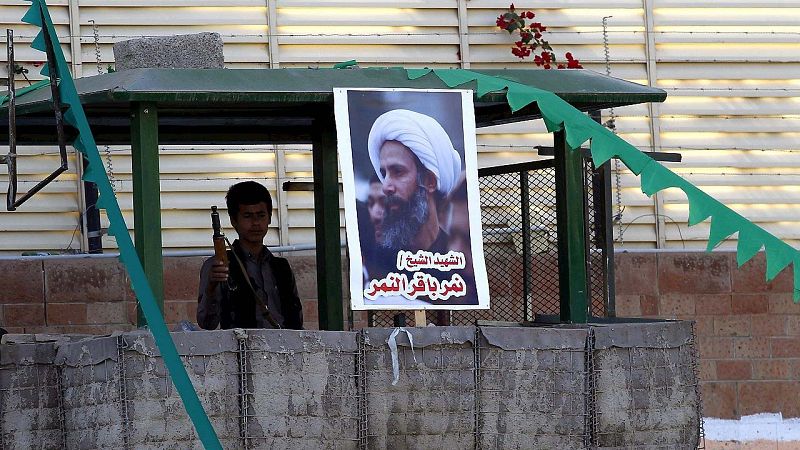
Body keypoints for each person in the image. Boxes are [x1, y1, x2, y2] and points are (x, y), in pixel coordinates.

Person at [197, 181, 303, 330]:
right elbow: (206, 323)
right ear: (234, 220)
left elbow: (297, 318)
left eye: (261, 215)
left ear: (270, 218)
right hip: (240, 350)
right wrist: (212, 286)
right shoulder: (219, 265)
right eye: (247, 216)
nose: (255, 223)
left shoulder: (281, 266)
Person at [367, 109, 462, 254]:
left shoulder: (459, 257)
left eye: (398, 172)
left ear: (429, 181)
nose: (385, 187)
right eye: (384, 174)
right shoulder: (376, 260)